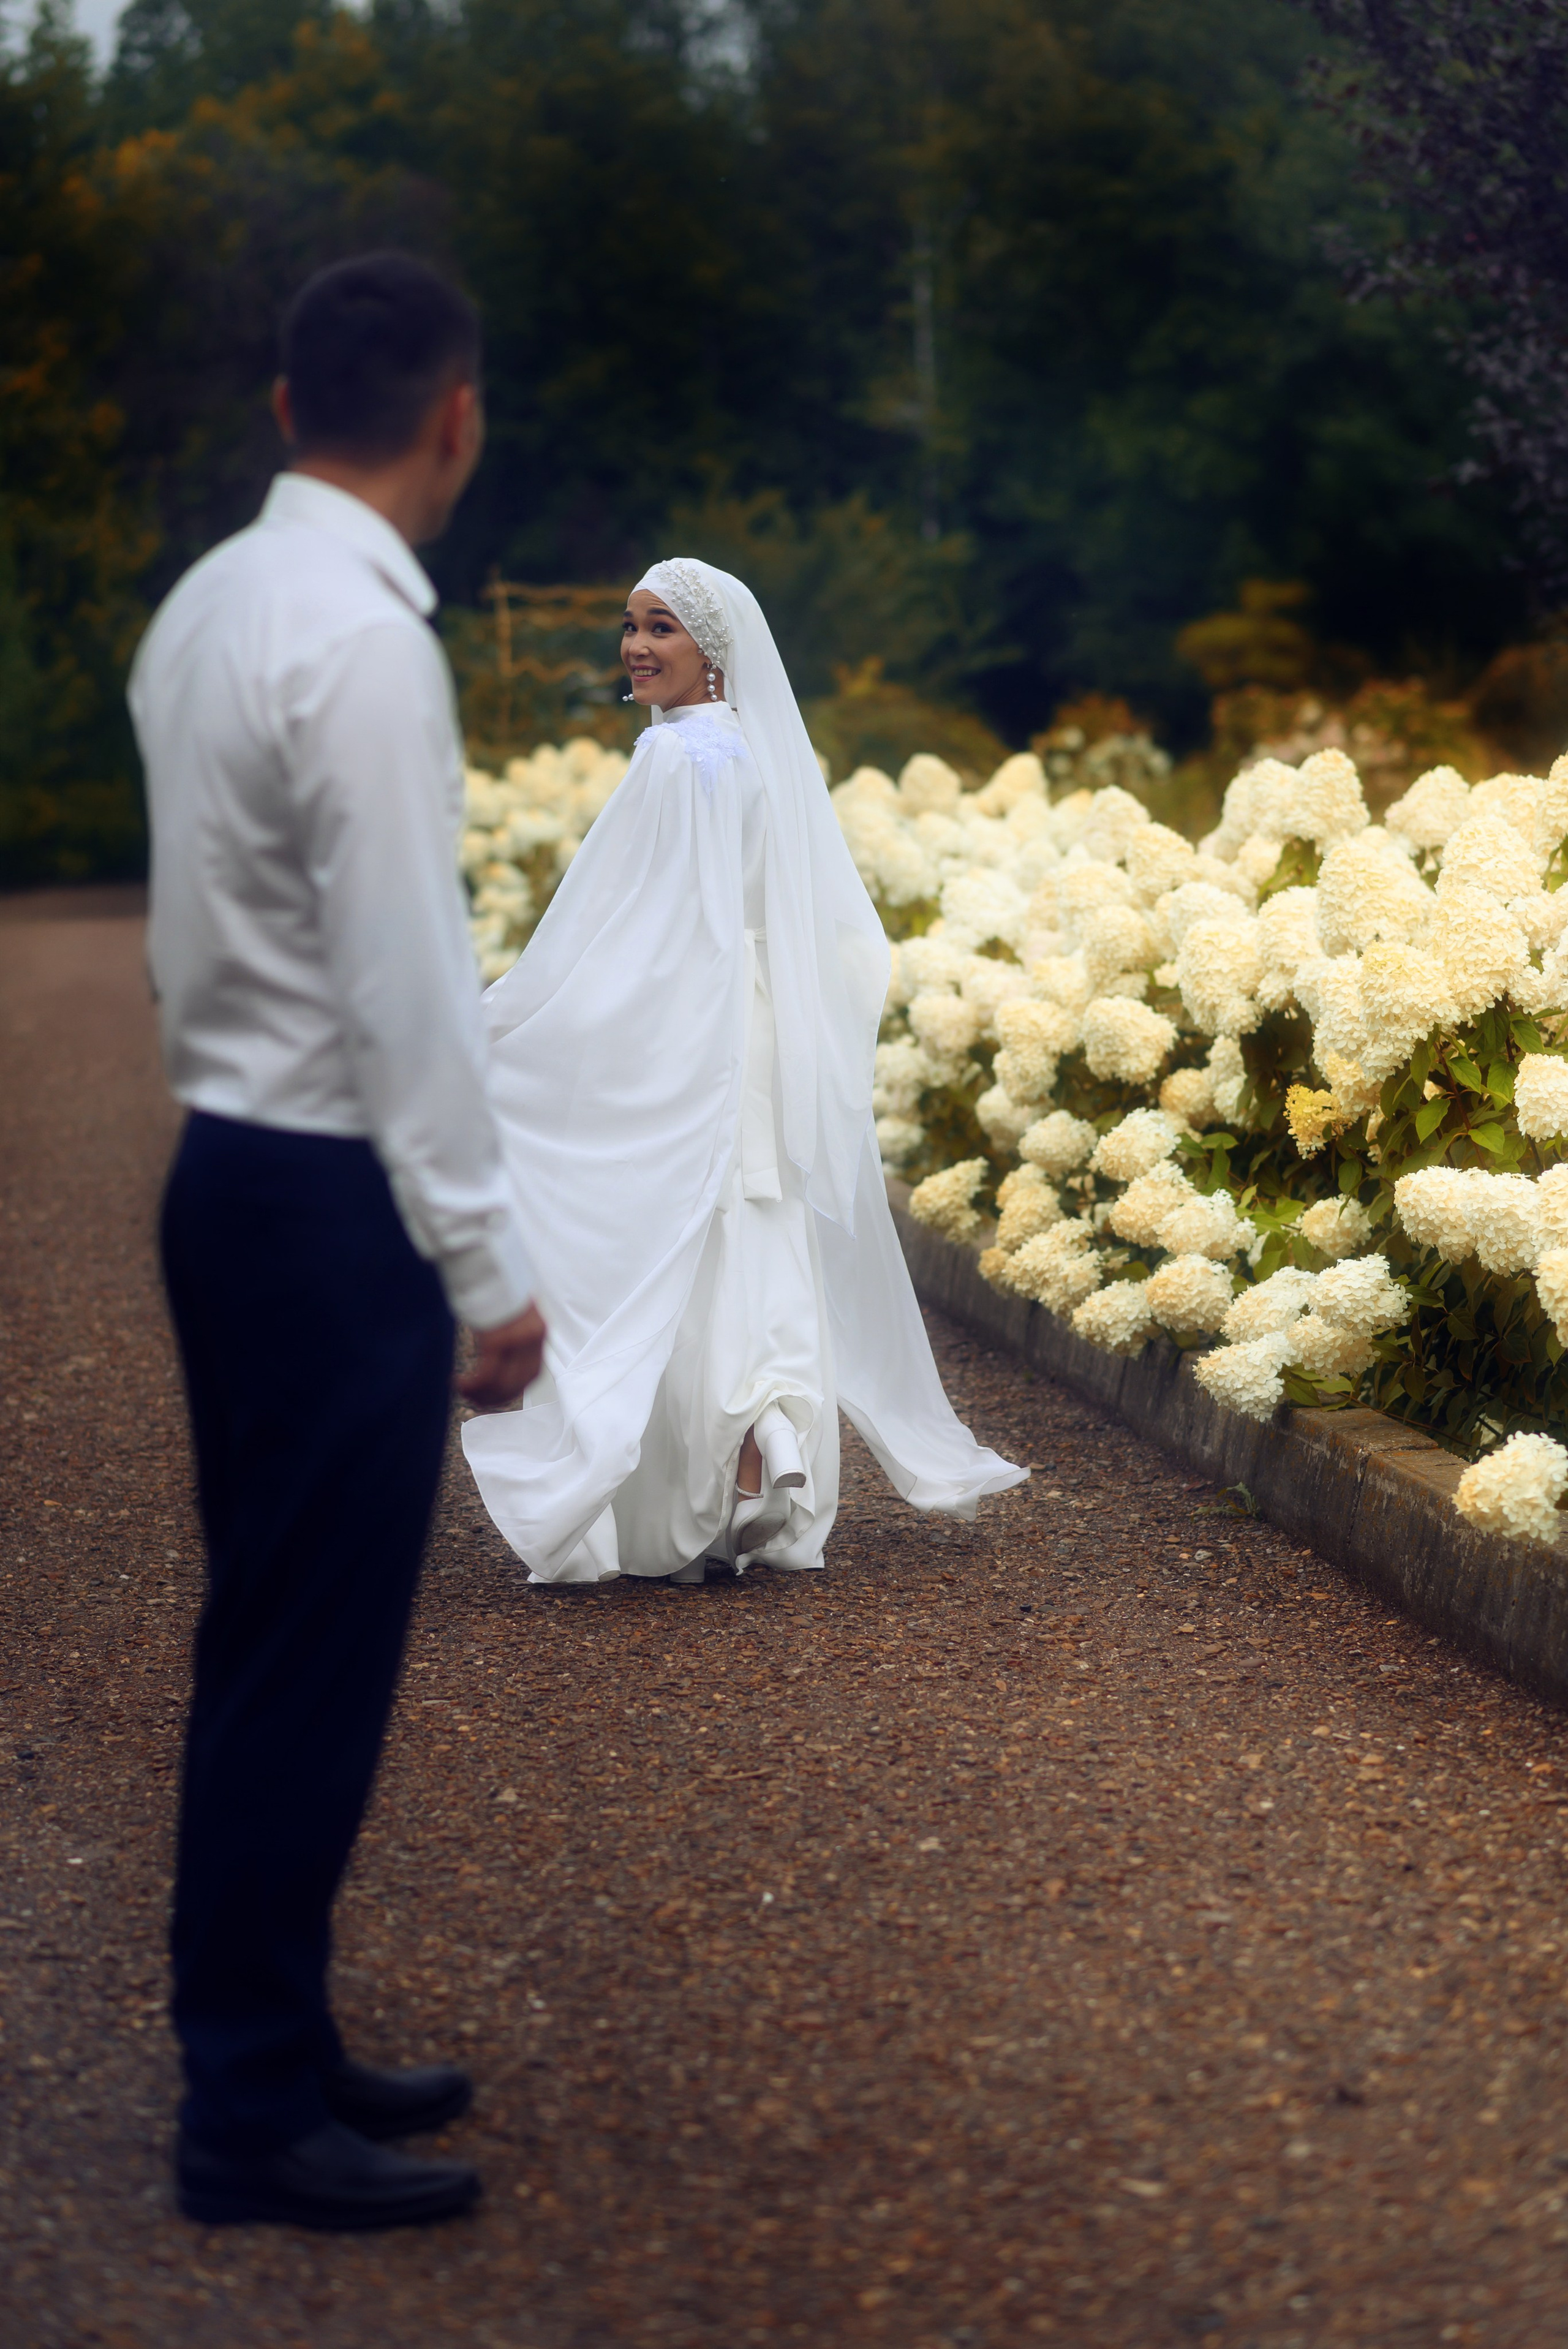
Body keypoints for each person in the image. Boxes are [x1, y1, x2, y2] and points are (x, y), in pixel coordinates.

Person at [130, 252, 546, 2231]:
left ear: (294, 410)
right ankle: (243, 2112)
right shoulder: (371, 645)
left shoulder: (211, 601)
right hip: (329, 1197)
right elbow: (409, 988)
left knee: (267, 1640)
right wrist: (489, 1263)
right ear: (452, 419)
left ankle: (273, 2045)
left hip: (229, 1167)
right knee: (305, 1661)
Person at [462, 557, 1024, 1586]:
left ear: (713, 650)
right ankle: (764, 1442)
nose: (637, 646)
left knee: (673, 1228)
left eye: (663, 627)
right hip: (751, 1028)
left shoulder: (682, 762)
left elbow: (656, 927)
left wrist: (517, 1018)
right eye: (630, 625)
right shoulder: (741, 752)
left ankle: (711, 1467)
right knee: (746, 1229)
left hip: (696, 1026)